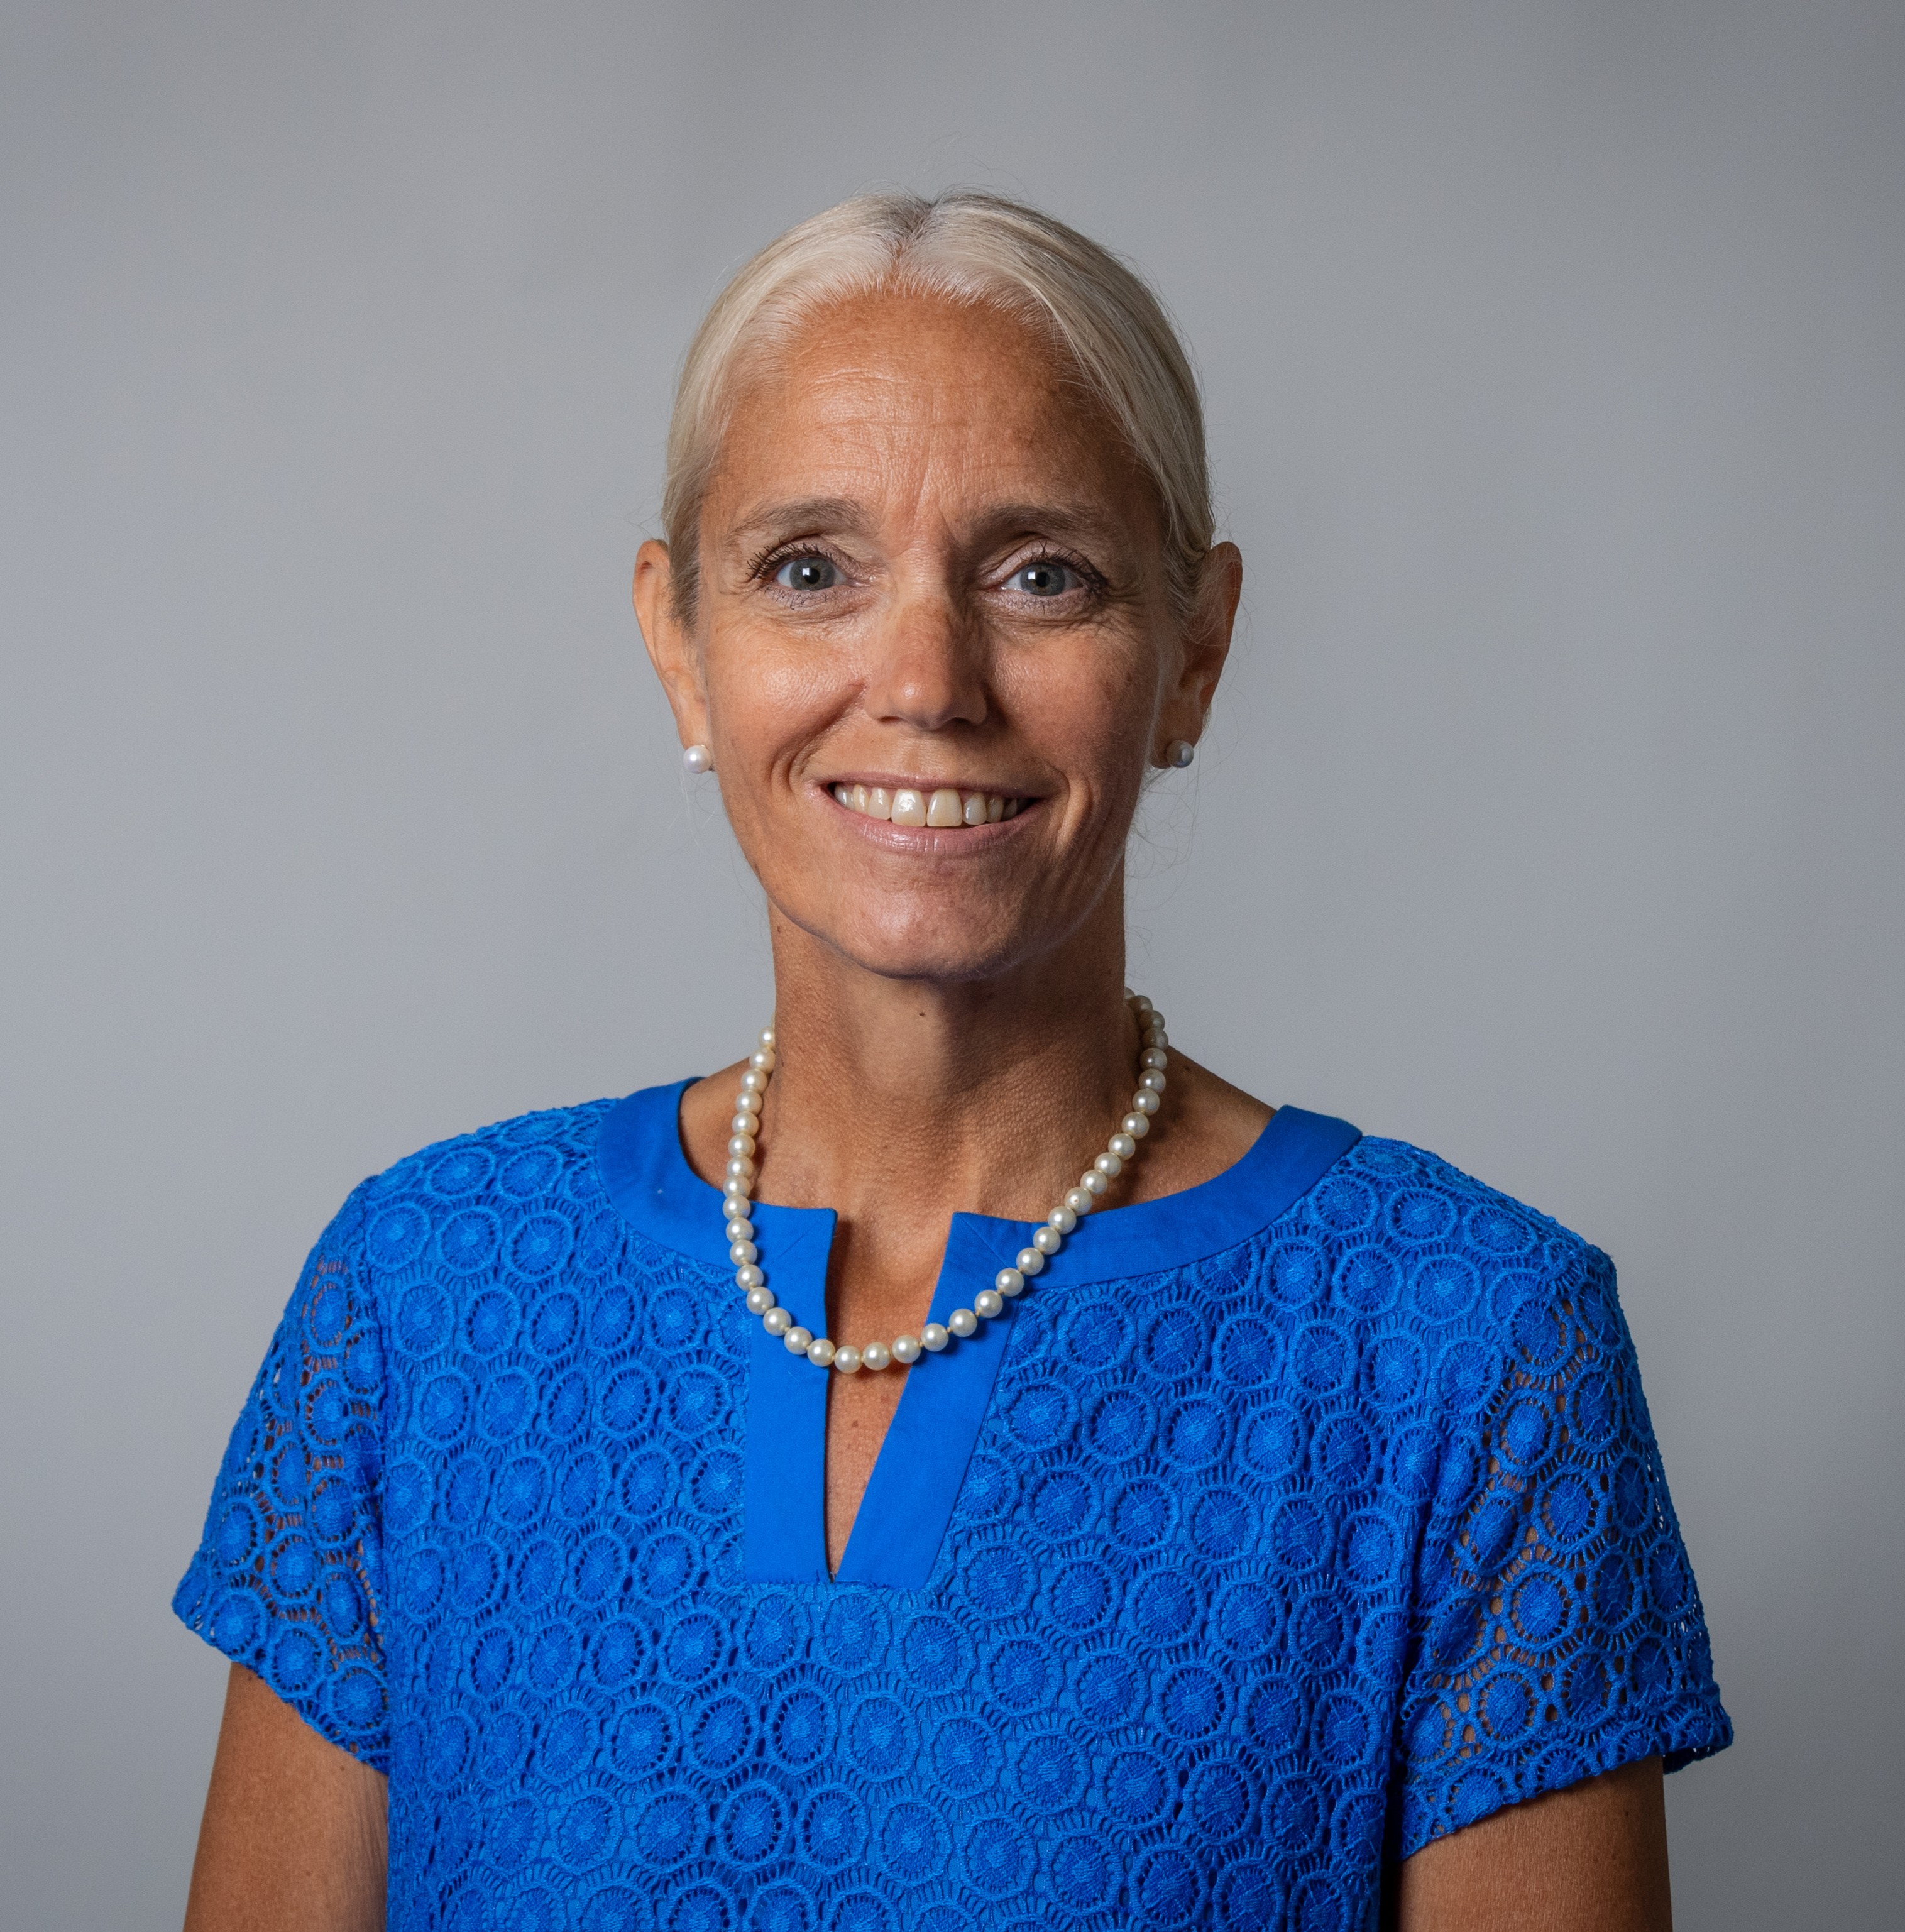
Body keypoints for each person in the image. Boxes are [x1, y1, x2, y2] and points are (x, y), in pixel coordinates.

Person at [175, 190, 1730, 1932]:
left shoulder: (1468, 1357)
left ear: (1194, 650)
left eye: (1040, 573)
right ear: (682, 642)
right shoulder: (424, 1297)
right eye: (810, 570)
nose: (924, 677)